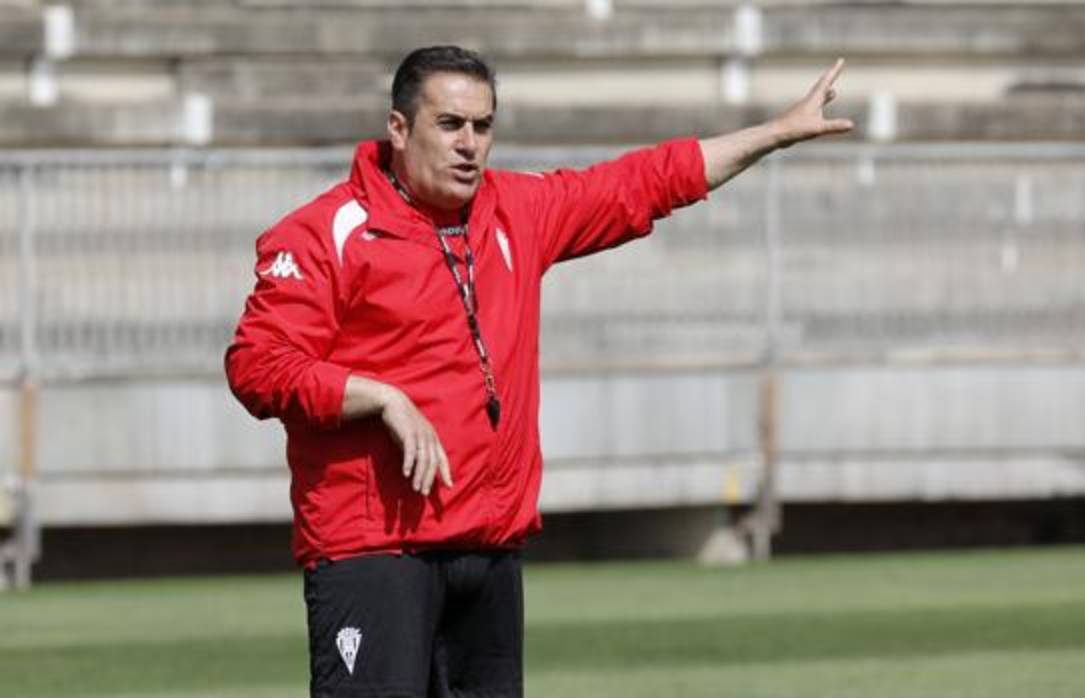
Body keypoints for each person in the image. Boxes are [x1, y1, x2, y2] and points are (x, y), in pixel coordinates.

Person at [225, 44, 852, 698]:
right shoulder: (325, 233)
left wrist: (776, 134)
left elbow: (646, 182)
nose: (470, 144)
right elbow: (256, 365)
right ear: (399, 129)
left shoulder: (515, 212)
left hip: (489, 551)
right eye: (450, 125)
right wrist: (377, 396)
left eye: (483, 126)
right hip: (376, 551)